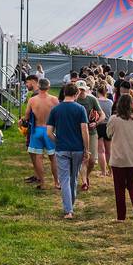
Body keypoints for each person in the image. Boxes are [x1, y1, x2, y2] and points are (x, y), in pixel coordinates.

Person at [47, 83, 90, 219]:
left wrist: (57, 140)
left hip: (62, 149)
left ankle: (68, 210)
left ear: (64, 93)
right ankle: (70, 205)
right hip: (77, 148)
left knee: (64, 179)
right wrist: (86, 149)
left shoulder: (56, 110)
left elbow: (49, 132)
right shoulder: (80, 109)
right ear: (76, 94)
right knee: (73, 178)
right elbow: (84, 130)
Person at [106, 93, 133, 223]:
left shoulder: (114, 119)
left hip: (119, 159)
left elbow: (108, 134)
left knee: (119, 188)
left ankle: (121, 217)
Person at [25, 78, 59, 191]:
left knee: (38, 158)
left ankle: (43, 182)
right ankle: (56, 182)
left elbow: (27, 116)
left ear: (39, 87)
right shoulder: (54, 100)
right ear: (48, 87)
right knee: (53, 158)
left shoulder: (32, 100)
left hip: (37, 130)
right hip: (50, 130)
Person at [77, 84, 104, 191]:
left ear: (86, 90)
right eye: (79, 90)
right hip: (78, 132)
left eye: (82, 90)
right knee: (83, 159)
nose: (81, 92)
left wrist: (96, 123)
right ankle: (84, 181)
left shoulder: (92, 99)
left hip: (92, 132)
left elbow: (102, 115)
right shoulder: (74, 100)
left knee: (92, 160)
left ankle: (86, 175)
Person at [95, 83, 114, 176]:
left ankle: (103, 172)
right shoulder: (110, 102)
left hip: (98, 125)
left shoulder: (96, 101)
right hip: (107, 125)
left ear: (97, 92)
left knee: (100, 150)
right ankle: (111, 172)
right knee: (109, 150)